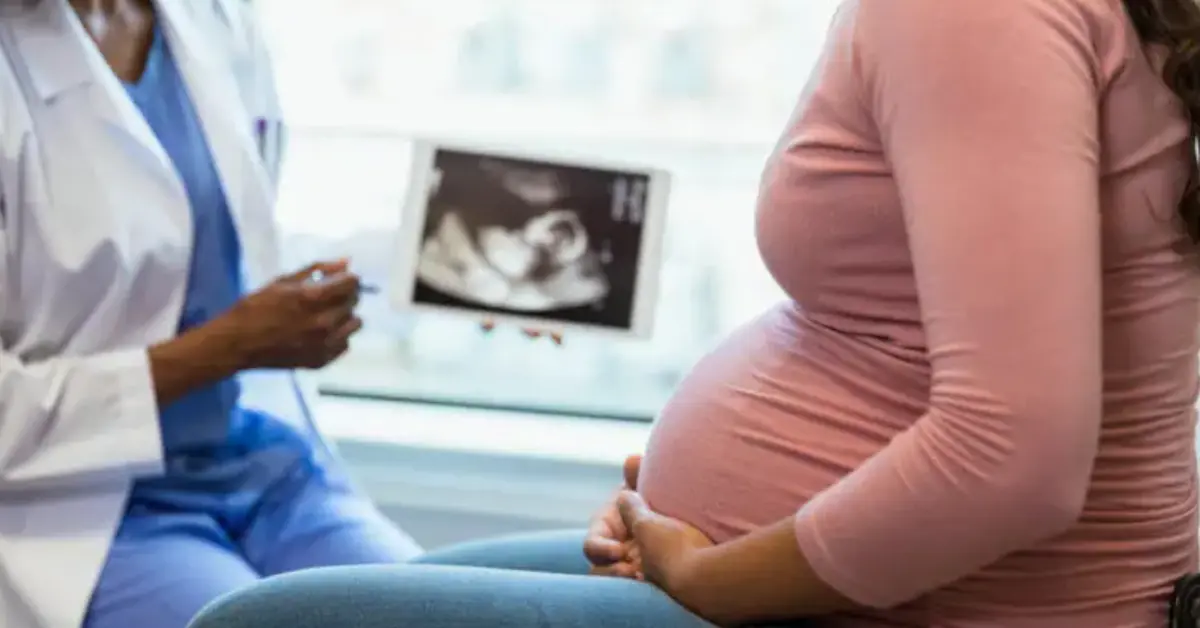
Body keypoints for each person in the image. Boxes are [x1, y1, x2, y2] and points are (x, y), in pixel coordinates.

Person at [190, 0, 1200, 626]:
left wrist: (718, 575)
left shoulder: (972, 12)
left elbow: (1013, 460)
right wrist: (687, 509)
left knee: (258, 626)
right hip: (882, 576)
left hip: (952, 605)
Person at [0, 1, 555, 627]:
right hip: (82, 506)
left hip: (257, 465)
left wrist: (450, 272)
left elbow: (227, 246)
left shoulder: (207, 17)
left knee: (436, 617)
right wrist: (228, 348)